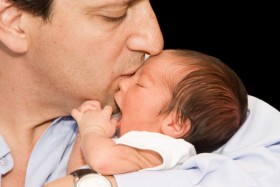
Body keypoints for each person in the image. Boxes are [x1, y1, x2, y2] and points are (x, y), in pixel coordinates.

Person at [0, 0, 280, 187]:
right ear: (14, 24)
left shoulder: (191, 97)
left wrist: (95, 182)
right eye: (115, 15)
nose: (154, 40)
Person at [67, 49, 248, 175]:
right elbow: (76, 175)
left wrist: (93, 131)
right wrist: (84, 128)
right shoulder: (132, 145)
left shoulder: (165, 148)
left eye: (140, 84)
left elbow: (103, 161)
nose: (123, 84)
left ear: (174, 123)